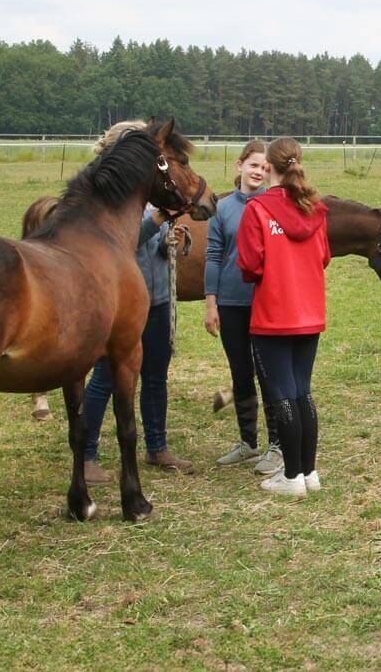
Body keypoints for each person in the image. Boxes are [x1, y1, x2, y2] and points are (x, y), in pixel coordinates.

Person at [75, 122, 196, 485]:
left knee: (155, 376)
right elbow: (123, 243)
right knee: (105, 379)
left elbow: (153, 246)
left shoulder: (150, 194)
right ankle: (86, 455)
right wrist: (158, 220)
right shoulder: (107, 201)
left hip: (155, 299)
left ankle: (157, 446)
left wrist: (171, 239)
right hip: (121, 305)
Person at [238, 137, 332, 497]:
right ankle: (309, 472)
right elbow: (323, 256)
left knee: (281, 395)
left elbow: (250, 264)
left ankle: (291, 477)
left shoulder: (257, 208)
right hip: (309, 312)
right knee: (302, 391)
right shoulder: (315, 208)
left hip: (274, 314)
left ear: (269, 167)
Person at [205, 140, 283, 474]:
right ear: (239, 166)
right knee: (240, 373)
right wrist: (211, 302)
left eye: (265, 168)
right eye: (253, 165)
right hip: (231, 303)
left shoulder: (274, 206)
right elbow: (213, 255)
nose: (258, 172)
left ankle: (277, 445)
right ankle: (248, 443)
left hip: (265, 303)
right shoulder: (222, 208)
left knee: (269, 375)